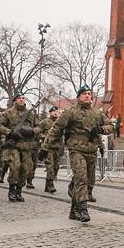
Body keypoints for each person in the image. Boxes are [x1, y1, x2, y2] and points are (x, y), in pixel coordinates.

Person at [42, 85, 114, 222]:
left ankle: (73, 210)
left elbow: (110, 126)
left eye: (89, 94)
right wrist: (45, 147)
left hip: (91, 150)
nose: (87, 96)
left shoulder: (97, 113)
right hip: (76, 149)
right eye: (84, 94)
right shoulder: (71, 112)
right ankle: (83, 209)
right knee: (81, 178)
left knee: (89, 181)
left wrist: (100, 129)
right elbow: (56, 129)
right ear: (78, 96)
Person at [0, 91, 40, 202]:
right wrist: (9, 133)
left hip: (26, 146)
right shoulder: (8, 113)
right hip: (13, 145)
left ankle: (19, 190)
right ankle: (12, 190)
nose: (21, 100)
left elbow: (39, 127)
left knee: (25, 169)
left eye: (23, 98)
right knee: (15, 167)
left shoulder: (31, 114)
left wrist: (32, 132)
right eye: (19, 98)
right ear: (15, 100)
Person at [39, 106, 64, 193]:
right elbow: (38, 132)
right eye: (54, 111)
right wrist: (45, 137)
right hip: (48, 147)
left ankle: (47, 185)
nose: (56, 113)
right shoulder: (45, 122)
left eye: (57, 111)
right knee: (50, 166)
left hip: (58, 147)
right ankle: (50, 185)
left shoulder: (60, 122)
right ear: (50, 112)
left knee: (56, 167)